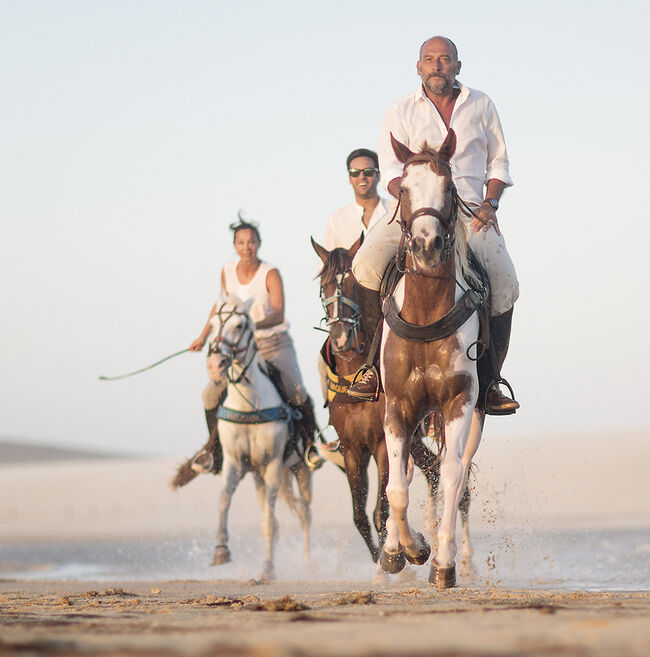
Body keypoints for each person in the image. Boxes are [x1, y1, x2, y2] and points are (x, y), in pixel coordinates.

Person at [348, 36, 520, 415]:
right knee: (364, 265)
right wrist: (412, 202)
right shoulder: (400, 109)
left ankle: (491, 381)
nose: (437, 65)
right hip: (417, 212)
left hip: (471, 212)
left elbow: (499, 163)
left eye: (444, 59)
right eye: (429, 59)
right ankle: (371, 369)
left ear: (458, 65)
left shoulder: (482, 104)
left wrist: (491, 204)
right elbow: (391, 171)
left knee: (505, 282)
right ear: (418, 66)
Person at [188, 216, 322, 473]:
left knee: (296, 391)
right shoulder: (227, 271)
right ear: (235, 245)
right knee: (210, 394)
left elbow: (278, 313)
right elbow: (221, 308)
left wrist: (250, 325)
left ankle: (309, 446)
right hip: (241, 349)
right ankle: (212, 452)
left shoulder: (270, 273)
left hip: (273, 343)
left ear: (259, 243)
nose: (247, 247)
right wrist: (203, 337)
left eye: (251, 242)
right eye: (241, 242)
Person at [323, 148, 392, 250]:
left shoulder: (394, 211)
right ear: (350, 178)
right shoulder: (337, 219)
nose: (362, 176)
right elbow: (326, 263)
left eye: (368, 172)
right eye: (355, 172)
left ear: (378, 176)